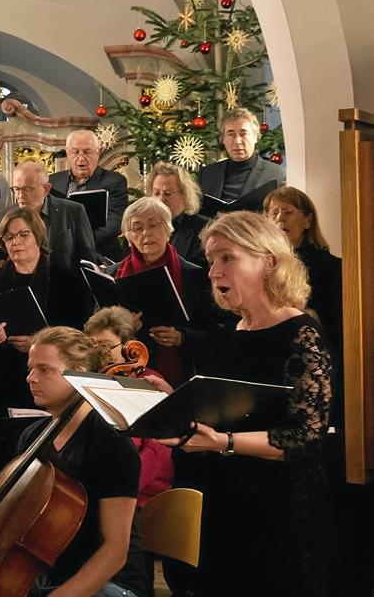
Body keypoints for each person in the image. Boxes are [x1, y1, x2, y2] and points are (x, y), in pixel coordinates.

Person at [150, 211, 334, 596]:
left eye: (227, 258)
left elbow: (305, 437)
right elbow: (218, 409)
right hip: (224, 505)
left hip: (277, 513)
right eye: (211, 260)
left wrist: (225, 443)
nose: (214, 271)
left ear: (267, 262)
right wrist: (172, 399)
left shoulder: (301, 333)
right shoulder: (232, 333)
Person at [0, 326, 147, 596]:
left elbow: (115, 552)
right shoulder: (32, 437)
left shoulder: (109, 441)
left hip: (109, 583)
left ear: (79, 372)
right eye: (31, 368)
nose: (31, 378)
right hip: (44, 575)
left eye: (45, 369)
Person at [0, 207, 95, 474]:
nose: (15, 242)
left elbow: (77, 332)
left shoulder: (65, 280)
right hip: (1, 377)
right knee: (2, 449)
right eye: (8, 237)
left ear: (38, 235)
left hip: (49, 378)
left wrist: (37, 343)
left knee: (43, 450)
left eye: (22, 234)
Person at [103, 197, 221, 386]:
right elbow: (98, 330)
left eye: (154, 225)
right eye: (137, 228)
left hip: (180, 372)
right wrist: (122, 328)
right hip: (125, 371)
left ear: (168, 229)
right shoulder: (112, 274)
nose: (146, 233)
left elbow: (213, 333)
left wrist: (182, 337)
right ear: (129, 236)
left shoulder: (194, 275)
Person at [83, 307, 173, 508]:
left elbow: (158, 448)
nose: (99, 353)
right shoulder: (87, 382)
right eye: (92, 345)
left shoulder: (150, 382)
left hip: (141, 496)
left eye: (106, 345)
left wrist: (119, 487)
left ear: (129, 347)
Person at [263, 186, 342, 384]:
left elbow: (336, 326)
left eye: (288, 212)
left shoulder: (330, 266)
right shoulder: (260, 264)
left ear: (308, 220)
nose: (280, 218)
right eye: (273, 213)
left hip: (312, 361)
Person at [0, 161, 99, 272]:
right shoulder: (3, 216)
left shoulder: (73, 211)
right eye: (16, 189)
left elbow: (88, 260)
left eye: (27, 189)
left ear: (46, 189)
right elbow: (0, 260)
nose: (20, 196)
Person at [50, 129, 129, 261]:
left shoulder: (114, 182)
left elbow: (114, 223)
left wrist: (78, 241)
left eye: (87, 152)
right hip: (61, 257)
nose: (81, 158)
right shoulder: (52, 182)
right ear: (67, 153)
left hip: (101, 254)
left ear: (98, 152)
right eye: (75, 152)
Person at [197, 108, 285, 200]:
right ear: (223, 139)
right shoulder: (207, 174)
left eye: (243, 134)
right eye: (231, 134)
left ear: (256, 137)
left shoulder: (276, 175)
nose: (237, 141)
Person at [144, 161, 208, 268]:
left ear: (185, 195)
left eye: (168, 193)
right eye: (156, 193)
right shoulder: (142, 226)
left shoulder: (204, 228)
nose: (160, 199)